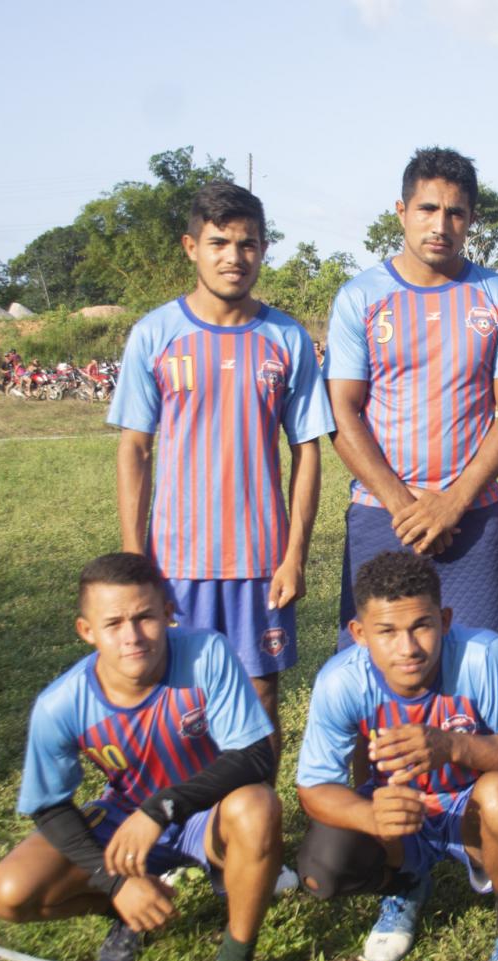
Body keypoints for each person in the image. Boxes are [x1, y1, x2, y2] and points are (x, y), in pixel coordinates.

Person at [0, 552, 283, 961]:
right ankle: (127, 908)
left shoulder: (207, 652)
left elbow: (255, 757)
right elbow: (49, 806)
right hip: (126, 825)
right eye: (114, 623)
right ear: (87, 631)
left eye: (145, 616)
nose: (132, 636)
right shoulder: (60, 704)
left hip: (206, 816)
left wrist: (162, 808)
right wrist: (115, 880)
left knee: (258, 806)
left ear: (168, 612)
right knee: (9, 895)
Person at [110, 181, 333, 751]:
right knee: (179, 702)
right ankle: (184, 831)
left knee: (260, 699)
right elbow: (135, 448)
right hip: (176, 563)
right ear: (191, 247)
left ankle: (251, 834)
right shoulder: (155, 335)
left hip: (261, 564)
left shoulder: (287, 338)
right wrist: (137, 562)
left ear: (263, 249)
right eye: (219, 243)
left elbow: (307, 449)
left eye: (248, 244)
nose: (234, 258)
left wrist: (294, 556)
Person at [294, 550, 498, 961]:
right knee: (322, 865)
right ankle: (404, 886)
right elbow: (314, 787)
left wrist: (456, 747)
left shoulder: (484, 655)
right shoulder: (340, 680)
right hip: (399, 809)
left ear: (446, 620)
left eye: (421, 626)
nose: (408, 647)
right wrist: (368, 817)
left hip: (471, 809)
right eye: (387, 632)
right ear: (359, 634)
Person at [325, 147, 498, 648]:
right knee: (375, 675)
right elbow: (342, 411)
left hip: (473, 516)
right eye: (427, 209)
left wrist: (453, 503)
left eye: (455, 212)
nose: (441, 224)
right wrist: (404, 505)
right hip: (382, 515)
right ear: (402, 212)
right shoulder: (360, 297)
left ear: (470, 220)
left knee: (479, 671)